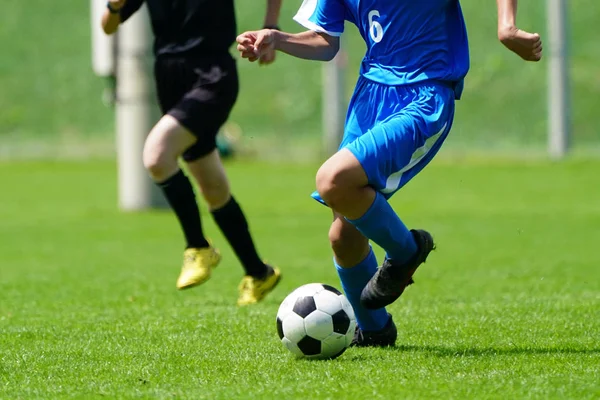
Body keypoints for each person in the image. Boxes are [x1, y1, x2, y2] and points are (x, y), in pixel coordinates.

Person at [236, 0, 542, 344]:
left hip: (423, 95)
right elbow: (325, 42)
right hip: (370, 99)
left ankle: (407, 251)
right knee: (343, 236)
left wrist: (507, 26)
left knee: (332, 179)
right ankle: (375, 330)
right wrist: (277, 38)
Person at [101, 0, 283, 306]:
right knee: (212, 186)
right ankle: (258, 272)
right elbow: (108, 25)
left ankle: (197, 247)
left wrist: (271, 28)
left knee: (157, 156)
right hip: (170, 79)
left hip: (213, 75)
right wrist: (115, 5)